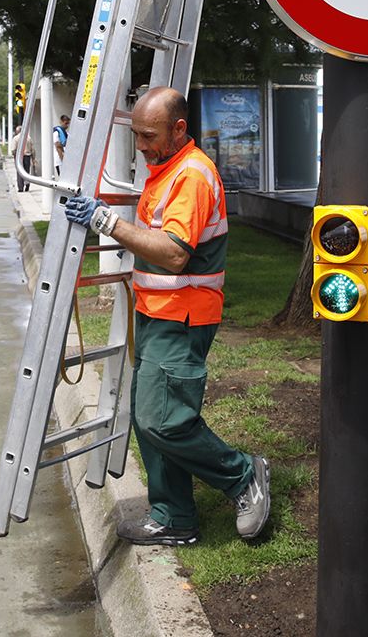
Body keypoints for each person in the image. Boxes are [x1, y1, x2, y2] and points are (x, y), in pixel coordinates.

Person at [64, 87, 270, 546]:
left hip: (183, 317)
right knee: (149, 417)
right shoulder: (168, 169)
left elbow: (175, 254)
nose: (140, 145)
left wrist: (106, 223)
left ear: (179, 129)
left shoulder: (192, 176)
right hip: (160, 313)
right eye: (136, 134)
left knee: (165, 421)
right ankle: (174, 516)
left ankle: (243, 476)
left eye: (148, 135)